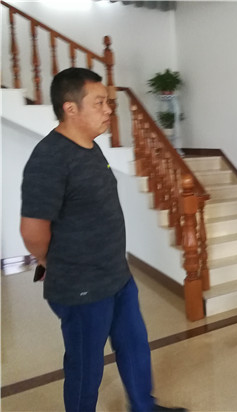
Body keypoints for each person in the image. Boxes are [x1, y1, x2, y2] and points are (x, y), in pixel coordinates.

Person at [20, 67, 186, 412]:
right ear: (71, 108)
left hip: (116, 275)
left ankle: (143, 406)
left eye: (108, 102)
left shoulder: (90, 147)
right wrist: (54, 263)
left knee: (134, 344)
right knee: (85, 366)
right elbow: (32, 232)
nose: (109, 109)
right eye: (99, 103)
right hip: (81, 286)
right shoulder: (49, 158)